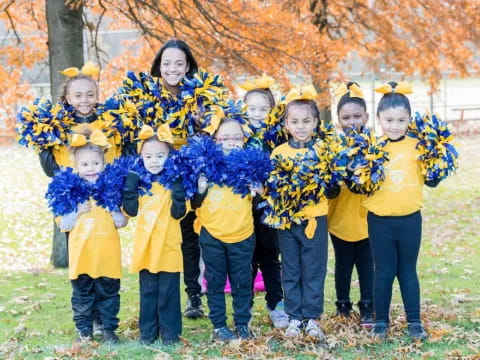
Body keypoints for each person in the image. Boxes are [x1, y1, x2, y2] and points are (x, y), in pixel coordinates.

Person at [117, 39, 228, 318]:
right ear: (159, 66)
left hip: (187, 173)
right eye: (166, 63)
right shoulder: (146, 95)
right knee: (159, 234)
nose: (172, 68)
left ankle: (193, 296)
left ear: (188, 65)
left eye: (179, 63)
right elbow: (135, 134)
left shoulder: (202, 97)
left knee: (189, 236)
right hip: (155, 176)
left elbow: (211, 133)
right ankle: (156, 298)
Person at [365, 81, 443, 341]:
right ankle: (380, 323)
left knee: (408, 271)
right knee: (384, 272)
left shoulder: (419, 145)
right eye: (388, 120)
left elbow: (431, 179)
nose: (395, 126)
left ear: (410, 119)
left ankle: (414, 321)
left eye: (401, 120)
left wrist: (437, 164)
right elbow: (359, 183)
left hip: (410, 220)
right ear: (378, 119)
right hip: (379, 221)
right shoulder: (370, 148)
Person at [266, 85, 339, 340]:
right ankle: (294, 317)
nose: (300, 126)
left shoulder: (324, 150)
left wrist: (330, 184)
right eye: (294, 121)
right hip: (287, 222)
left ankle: (312, 318)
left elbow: (333, 190)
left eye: (306, 121)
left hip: (315, 219)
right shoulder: (278, 153)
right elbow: (272, 191)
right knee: (291, 268)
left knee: (314, 269)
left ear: (316, 122)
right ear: (286, 123)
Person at [46, 124, 128, 344]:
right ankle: (85, 332)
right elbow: (63, 224)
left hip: (107, 255)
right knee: (83, 295)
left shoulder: (111, 187)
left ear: (103, 162)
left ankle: (109, 330)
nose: (91, 168)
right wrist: (76, 211)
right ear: (75, 165)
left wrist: (113, 210)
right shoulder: (68, 190)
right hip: (82, 256)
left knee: (109, 295)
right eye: (85, 164)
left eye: (96, 163)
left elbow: (122, 222)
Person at [192, 116, 265, 341]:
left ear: (244, 140)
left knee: (242, 282)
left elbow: (261, 200)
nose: (232, 142)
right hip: (212, 234)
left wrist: (260, 190)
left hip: (242, 234)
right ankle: (219, 326)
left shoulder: (250, 165)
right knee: (214, 281)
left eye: (237, 137)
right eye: (226, 137)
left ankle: (242, 323)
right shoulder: (203, 165)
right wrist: (201, 189)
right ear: (215, 139)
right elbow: (193, 202)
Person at [122, 124, 188, 345]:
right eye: (148, 156)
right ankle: (148, 334)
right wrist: (129, 188)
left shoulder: (173, 184)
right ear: (141, 157)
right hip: (146, 248)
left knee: (169, 293)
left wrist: (178, 191)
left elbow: (179, 213)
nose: (154, 160)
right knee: (148, 293)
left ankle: (170, 335)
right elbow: (130, 211)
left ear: (170, 156)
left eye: (161, 155)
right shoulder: (140, 185)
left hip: (168, 246)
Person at [239, 75, 287, 329]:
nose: (257, 113)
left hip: (268, 205)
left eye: (263, 108)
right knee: (246, 257)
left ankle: (276, 303)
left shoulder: (276, 136)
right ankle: (243, 306)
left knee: (270, 255)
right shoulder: (239, 134)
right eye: (252, 108)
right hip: (243, 205)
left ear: (272, 110)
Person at [327, 82, 374, 326]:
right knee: (343, 265)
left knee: (367, 265)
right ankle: (342, 305)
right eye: (345, 117)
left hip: (368, 219)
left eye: (357, 116)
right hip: (340, 219)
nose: (352, 121)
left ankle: (368, 304)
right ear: (338, 120)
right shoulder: (333, 147)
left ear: (366, 116)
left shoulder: (374, 146)